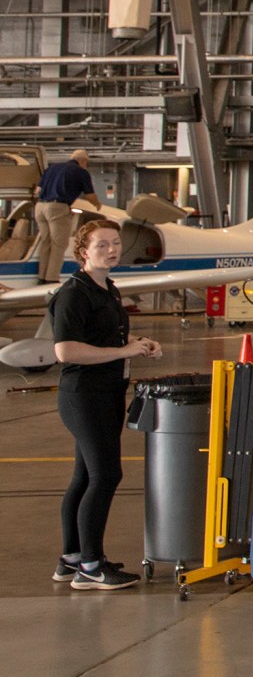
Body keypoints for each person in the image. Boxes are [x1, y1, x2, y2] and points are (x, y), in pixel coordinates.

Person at [51, 216, 158, 590]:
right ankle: (92, 567)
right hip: (85, 395)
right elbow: (65, 351)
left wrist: (138, 344)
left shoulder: (108, 288)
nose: (111, 250)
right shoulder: (74, 293)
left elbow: (106, 340)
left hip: (108, 391)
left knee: (84, 476)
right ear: (83, 251)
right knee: (105, 475)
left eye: (115, 243)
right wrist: (122, 350)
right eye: (102, 245)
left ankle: (72, 558)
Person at [31, 148, 104, 281]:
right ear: (83, 160)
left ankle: (42, 277)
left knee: (46, 242)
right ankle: (51, 279)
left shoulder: (51, 168)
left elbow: (38, 190)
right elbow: (90, 195)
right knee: (59, 244)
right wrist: (98, 205)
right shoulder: (81, 172)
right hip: (57, 207)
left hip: (40, 207)